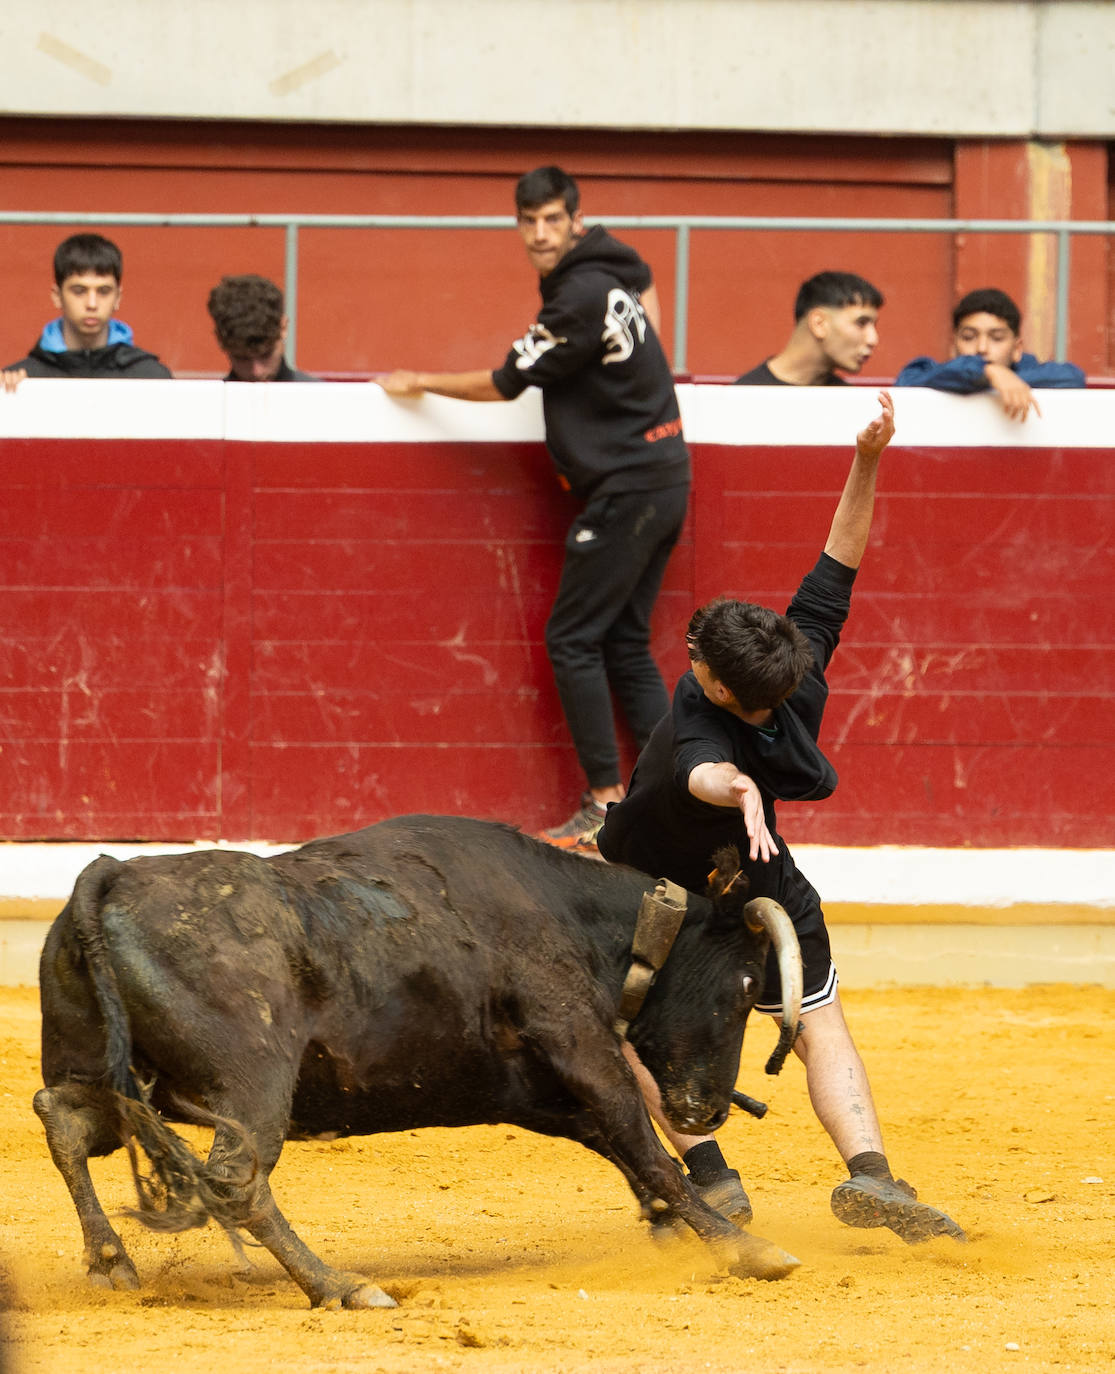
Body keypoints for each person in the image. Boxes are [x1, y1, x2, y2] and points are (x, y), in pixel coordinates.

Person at [598, 390, 966, 1247]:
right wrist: (868, 458)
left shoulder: (698, 713)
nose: (687, 659)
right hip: (764, 882)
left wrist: (741, 792)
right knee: (818, 1021)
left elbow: (701, 773)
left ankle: (711, 1180)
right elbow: (842, 556)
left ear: (721, 685)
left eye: (697, 659)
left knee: (614, 1035)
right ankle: (875, 1175)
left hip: (652, 896)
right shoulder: (798, 665)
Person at [376, 165, 690, 849]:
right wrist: (654, 358)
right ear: (519, 225)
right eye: (530, 221)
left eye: (553, 220)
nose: (541, 233)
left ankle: (605, 803)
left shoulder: (575, 296)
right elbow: (644, 279)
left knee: (571, 639)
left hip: (628, 486)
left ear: (574, 221)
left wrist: (417, 381)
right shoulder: (608, 262)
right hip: (664, 473)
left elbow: (503, 383)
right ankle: (677, 794)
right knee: (626, 643)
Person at [1, 233, 171, 391]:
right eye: (79, 290)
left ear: (118, 297)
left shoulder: (152, 377)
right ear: (57, 296)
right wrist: (8, 395)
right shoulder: (23, 380)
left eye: (103, 291)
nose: (92, 304)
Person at [896, 286, 1084, 421]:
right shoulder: (936, 372)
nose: (982, 348)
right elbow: (907, 380)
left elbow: (1072, 377)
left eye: (996, 338)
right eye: (969, 337)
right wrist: (988, 372)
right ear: (954, 346)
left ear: (1017, 349)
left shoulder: (1031, 370)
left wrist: (1006, 377)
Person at [734, 271, 883, 386]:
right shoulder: (741, 400)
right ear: (819, 323)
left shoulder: (851, 406)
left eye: (873, 326)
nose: (873, 339)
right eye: (861, 323)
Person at [207, 274, 319, 382]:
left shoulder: (324, 399)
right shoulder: (206, 401)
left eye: (266, 355)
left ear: (283, 328)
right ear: (219, 339)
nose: (257, 372)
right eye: (242, 358)